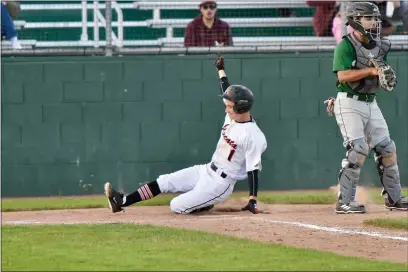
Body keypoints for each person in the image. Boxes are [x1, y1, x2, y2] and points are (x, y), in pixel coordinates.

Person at [104, 54, 267, 215]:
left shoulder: (253, 135)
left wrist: (252, 199)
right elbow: (226, 89)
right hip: (207, 170)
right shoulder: (232, 116)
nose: (226, 108)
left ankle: (204, 202)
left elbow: (253, 169)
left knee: (176, 205)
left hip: (221, 184)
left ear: (241, 107)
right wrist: (220, 69)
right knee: (164, 181)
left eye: (230, 106)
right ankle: (122, 201)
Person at [324, 2, 408, 214]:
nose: (374, 22)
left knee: (387, 149)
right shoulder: (346, 45)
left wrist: (384, 78)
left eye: (375, 18)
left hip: (371, 101)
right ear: (356, 21)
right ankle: (344, 201)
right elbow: (342, 76)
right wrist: (371, 72)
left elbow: (379, 76)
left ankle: (394, 198)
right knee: (358, 149)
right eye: (369, 18)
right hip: (349, 101)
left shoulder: (381, 46)